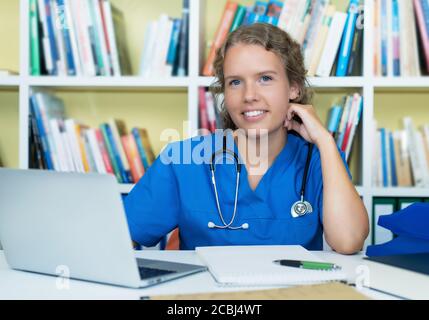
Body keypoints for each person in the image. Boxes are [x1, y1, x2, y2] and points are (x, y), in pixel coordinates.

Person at [124, 23, 369, 254]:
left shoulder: (319, 160)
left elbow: (348, 241)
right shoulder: (182, 161)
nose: (249, 95)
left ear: (293, 87)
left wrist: (324, 140)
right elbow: (120, 236)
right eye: (235, 82)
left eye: (265, 78)